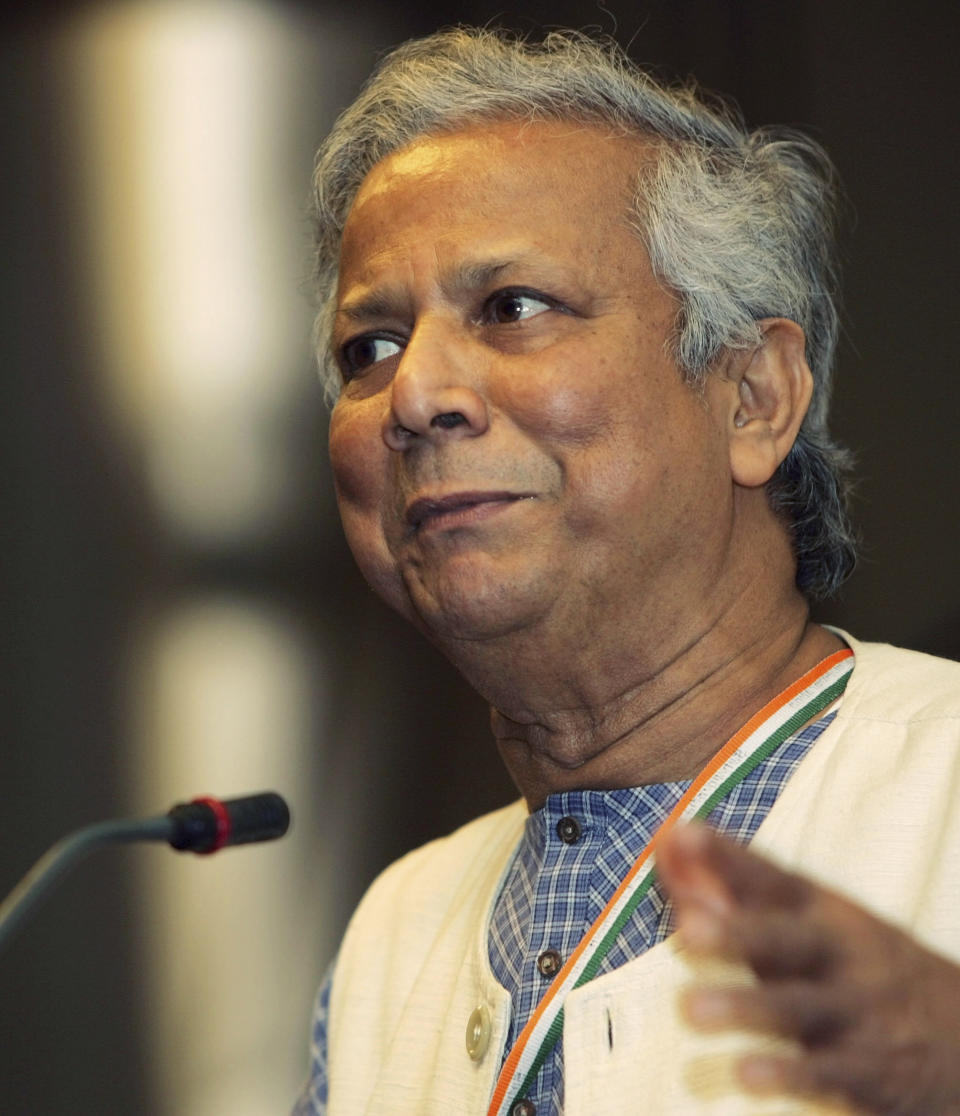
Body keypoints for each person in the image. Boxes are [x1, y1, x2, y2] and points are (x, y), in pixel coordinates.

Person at [294, 27, 960, 1116]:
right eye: (369, 346)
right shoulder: (391, 939)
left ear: (752, 398)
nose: (414, 395)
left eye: (511, 307)